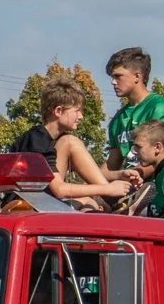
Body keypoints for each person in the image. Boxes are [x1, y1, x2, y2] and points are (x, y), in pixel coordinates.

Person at [11, 76, 129, 208]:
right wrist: (109, 189)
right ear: (58, 111)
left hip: (38, 203)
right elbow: (60, 190)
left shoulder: (51, 139)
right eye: (77, 111)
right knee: (70, 142)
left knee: (89, 203)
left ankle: (111, 209)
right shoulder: (39, 141)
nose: (81, 116)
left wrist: (119, 174)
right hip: (23, 206)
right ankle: (117, 201)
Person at [103, 47, 164, 173]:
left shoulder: (163, 110)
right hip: (129, 185)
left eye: (118, 76)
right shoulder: (118, 120)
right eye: (112, 77)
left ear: (137, 76)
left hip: (160, 185)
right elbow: (111, 165)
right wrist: (85, 187)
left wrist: (134, 175)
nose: (113, 82)